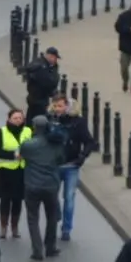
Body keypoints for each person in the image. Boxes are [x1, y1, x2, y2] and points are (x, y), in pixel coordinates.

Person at [18, 115, 66, 261]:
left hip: (32, 185)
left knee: (33, 218)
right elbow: (61, 160)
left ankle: (37, 250)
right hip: (51, 185)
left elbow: (21, 156)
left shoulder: (28, 145)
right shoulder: (55, 144)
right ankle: (50, 247)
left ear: (33, 127)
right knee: (52, 216)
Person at [47, 93, 94, 241]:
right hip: (54, 164)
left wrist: (82, 156)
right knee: (51, 196)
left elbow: (89, 141)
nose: (57, 109)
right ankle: (57, 215)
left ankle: (66, 228)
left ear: (67, 106)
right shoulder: (50, 119)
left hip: (71, 165)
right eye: (55, 106)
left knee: (69, 198)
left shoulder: (78, 122)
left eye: (60, 106)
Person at [0, 108, 31, 239]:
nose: (18, 120)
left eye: (20, 118)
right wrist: (14, 155)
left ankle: (15, 227)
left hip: (21, 170)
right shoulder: (2, 131)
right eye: (15, 118)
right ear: (9, 119)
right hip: (5, 170)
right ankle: (3, 227)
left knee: (18, 199)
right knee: (5, 199)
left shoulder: (28, 131)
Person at [23, 47, 60, 125]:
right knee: (38, 121)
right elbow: (48, 82)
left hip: (38, 99)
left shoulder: (48, 66)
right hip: (38, 99)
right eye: (55, 58)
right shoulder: (41, 66)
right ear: (50, 56)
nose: (55, 60)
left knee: (32, 119)